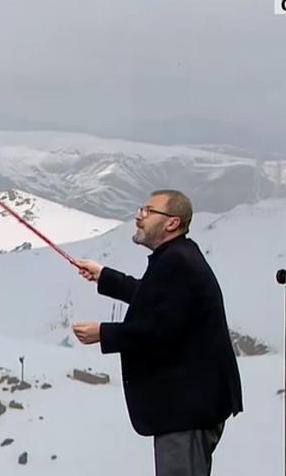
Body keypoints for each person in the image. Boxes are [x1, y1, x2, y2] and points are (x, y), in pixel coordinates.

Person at [72, 189, 242, 476]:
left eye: (148, 211)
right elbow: (156, 298)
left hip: (186, 410)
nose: (139, 216)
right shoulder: (179, 255)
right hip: (189, 406)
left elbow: (162, 329)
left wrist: (103, 333)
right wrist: (105, 277)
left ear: (172, 223)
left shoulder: (178, 263)